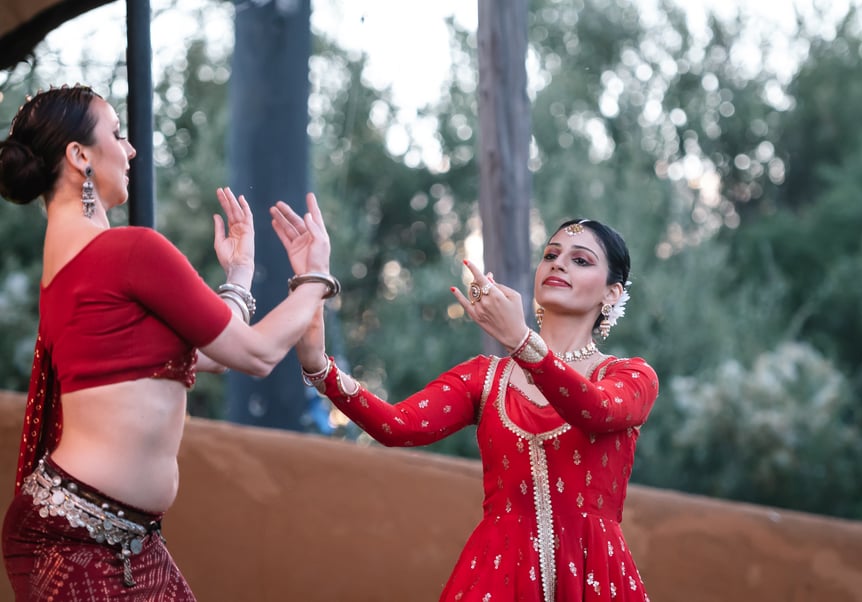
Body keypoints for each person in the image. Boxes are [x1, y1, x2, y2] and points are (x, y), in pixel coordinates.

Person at [0, 85, 339, 600]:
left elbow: (206, 354)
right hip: (77, 540)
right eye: (116, 133)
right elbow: (256, 354)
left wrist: (240, 276)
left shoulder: (68, 267)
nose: (131, 147)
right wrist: (317, 277)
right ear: (79, 156)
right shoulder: (130, 251)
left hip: (123, 540)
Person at [295, 218, 659, 601]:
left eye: (581, 260)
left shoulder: (631, 376)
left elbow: (595, 409)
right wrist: (320, 367)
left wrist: (522, 342)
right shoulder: (485, 378)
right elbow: (397, 425)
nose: (558, 263)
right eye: (551, 255)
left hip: (595, 576)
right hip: (500, 574)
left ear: (612, 293)